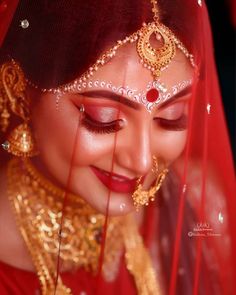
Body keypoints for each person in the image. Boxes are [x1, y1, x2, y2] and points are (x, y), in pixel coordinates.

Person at [0, 0, 235, 294]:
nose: (141, 162)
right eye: (104, 119)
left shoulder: (202, 204)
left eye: (171, 118)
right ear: (18, 89)